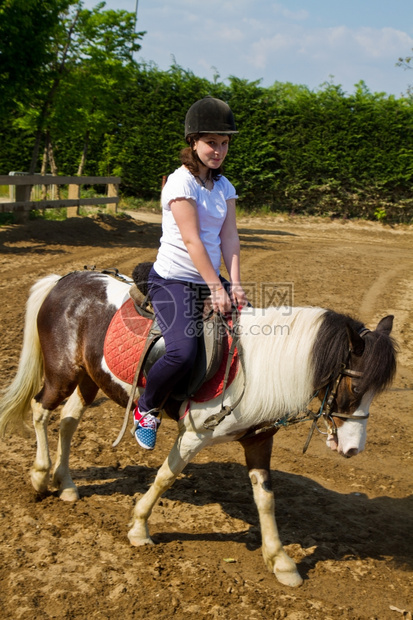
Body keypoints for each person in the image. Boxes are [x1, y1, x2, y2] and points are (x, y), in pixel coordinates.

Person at [133, 96, 248, 450]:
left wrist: (236, 285)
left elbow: (229, 236)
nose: (219, 150)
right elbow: (192, 240)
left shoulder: (224, 187)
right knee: (182, 351)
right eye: (211, 142)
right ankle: (147, 408)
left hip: (208, 278)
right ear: (193, 142)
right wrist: (216, 287)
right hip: (173, 279)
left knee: (252, 327)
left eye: (224, 143)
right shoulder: (180, 184)